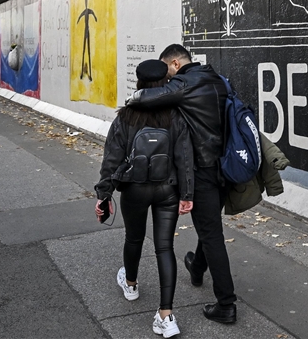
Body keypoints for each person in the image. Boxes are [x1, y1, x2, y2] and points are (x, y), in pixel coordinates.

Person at [125, 44, 237, 324]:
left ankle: (226, 304)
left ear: (175, 63)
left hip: (200, 170)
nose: (166, 75)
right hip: (223, 166)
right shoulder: (217, 79)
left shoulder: (184, 83)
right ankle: (197, 267)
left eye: (167, 69)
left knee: (211, 235)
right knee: (208, 225)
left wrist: (133, 96)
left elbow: (145, 98)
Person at [95, 59, 194, 338]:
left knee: (134, 238)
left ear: (138, 82)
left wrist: (104, 193)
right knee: (165, 248)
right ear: (166, 82)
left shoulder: (126, 115)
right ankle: (166, 315)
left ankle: (131, 284)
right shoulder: (175, 114)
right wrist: (187, 194)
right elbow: (184, 157)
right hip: (168, 188)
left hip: (134, 188)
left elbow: (112, 157)